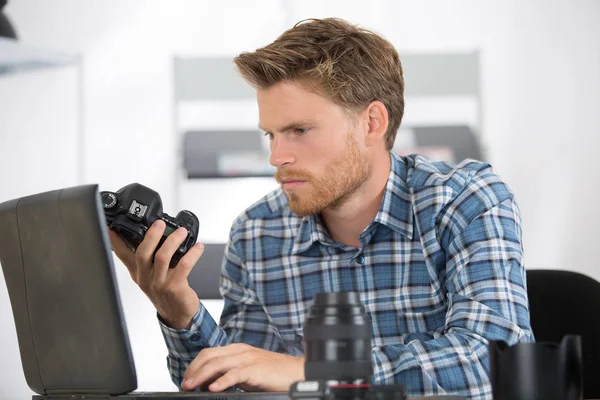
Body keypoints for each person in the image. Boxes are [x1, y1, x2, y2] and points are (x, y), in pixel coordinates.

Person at [109, 17, 534, 400]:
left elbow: (495, 364)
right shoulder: (257, 233)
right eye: (270, 135)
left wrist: (313, 373)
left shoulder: (466, 200)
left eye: (299, 131)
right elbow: (235, 384)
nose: (277, 156)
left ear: (372, 123)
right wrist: (179, 310)